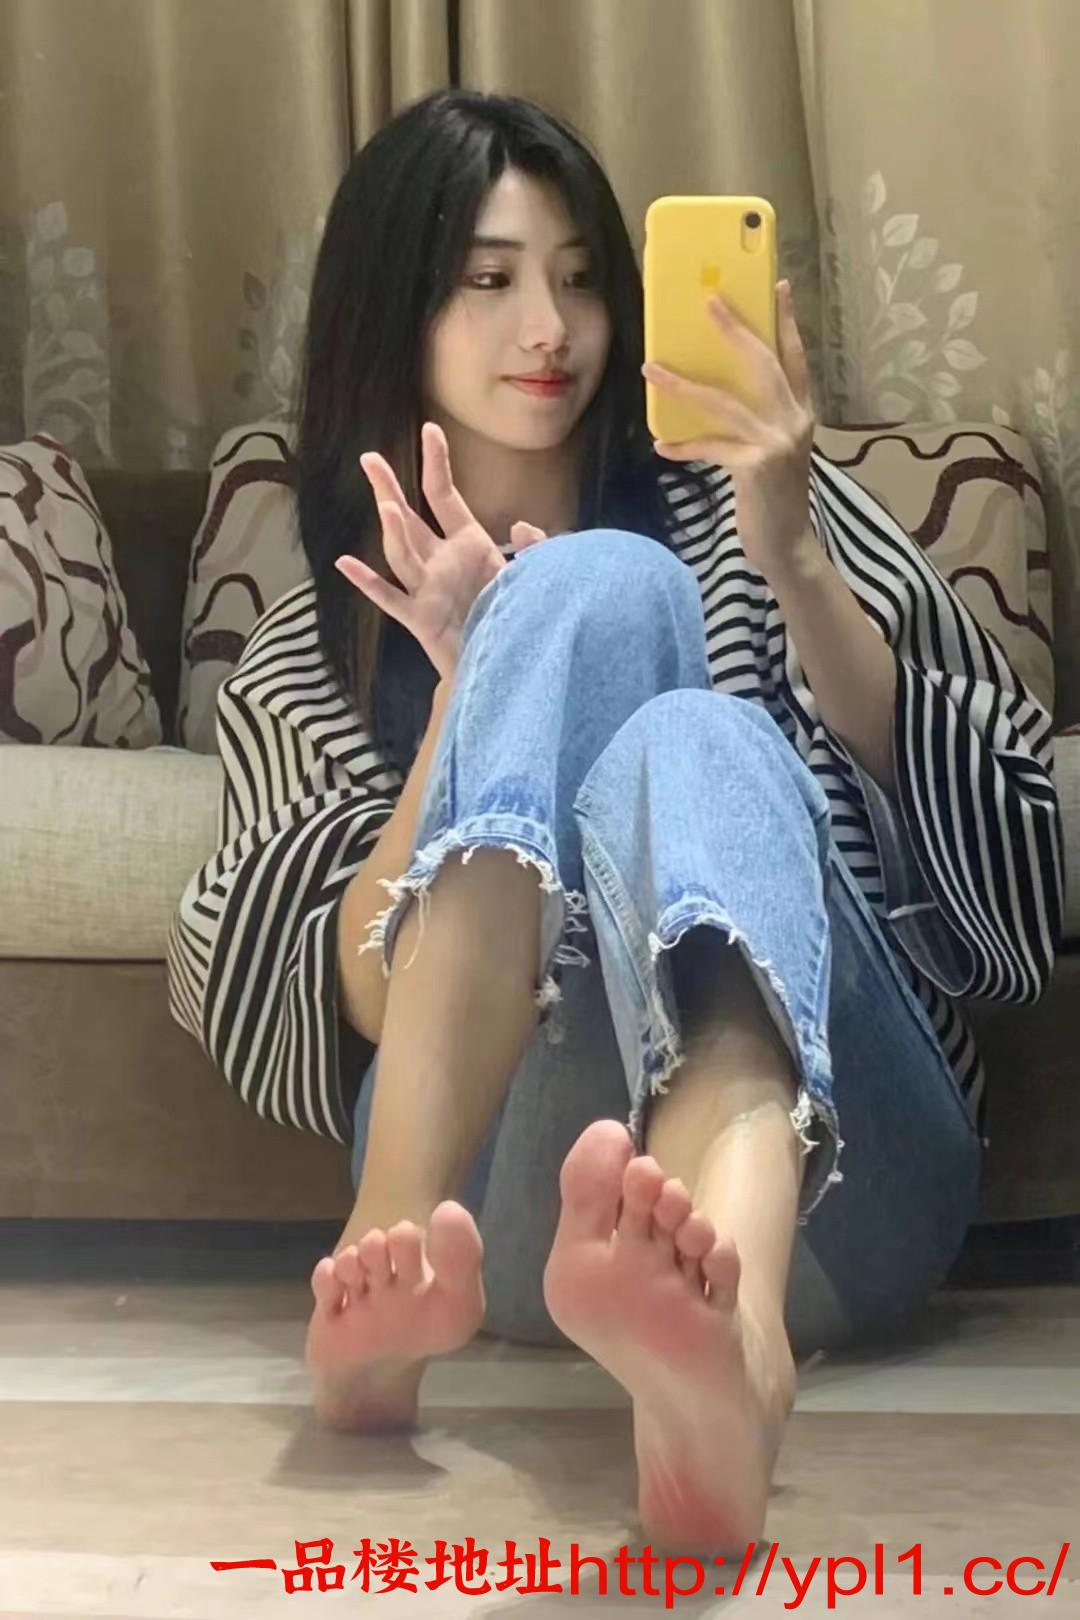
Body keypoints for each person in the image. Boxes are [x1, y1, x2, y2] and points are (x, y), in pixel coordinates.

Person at [167, 89, 1063, 1551]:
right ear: (392, 308)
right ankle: (407, 1261)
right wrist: (470, 692)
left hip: (849, 1195)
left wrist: (795, 557)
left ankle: (733, 1331)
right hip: (504, 1220)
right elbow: (330, 1002)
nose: (551, 328)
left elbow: (1016, 875)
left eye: (583, 278)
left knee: (685, 708)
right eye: (490, 277)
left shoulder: (762, 496)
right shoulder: (315, 645)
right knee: (588, 597)